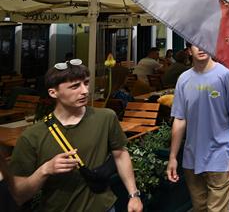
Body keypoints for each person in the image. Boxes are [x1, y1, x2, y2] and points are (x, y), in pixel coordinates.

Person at [9, 61, 143, 212]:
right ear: (53, 92)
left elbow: (120, 154)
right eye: (75, 86)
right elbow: (18, 195)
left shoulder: (106, 117)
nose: (85, 91)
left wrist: (134, 195)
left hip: (105, 207)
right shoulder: (32, 136)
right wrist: (45, 170)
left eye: (86, 83)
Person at [166, 43, 229, 211]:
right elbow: (179, 119)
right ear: (188, 50)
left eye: (205, 43)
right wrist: (173, 157)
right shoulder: (184, 79)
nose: (201, 48)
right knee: (199, 208)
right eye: (195, 44)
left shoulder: (227, 75)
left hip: (220, 157)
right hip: (191, 158)